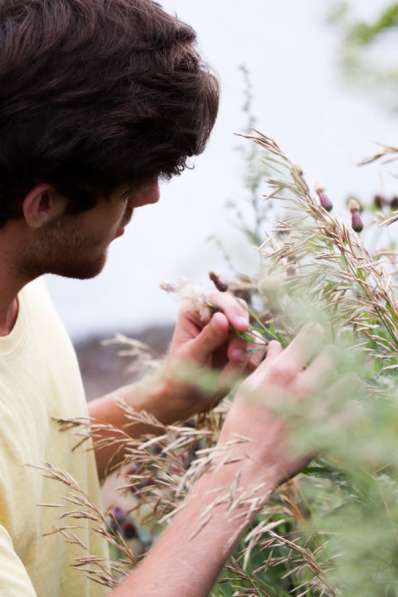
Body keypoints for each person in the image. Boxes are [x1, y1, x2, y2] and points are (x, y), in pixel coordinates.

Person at [0, 1, 330, 595]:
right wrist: (245, 465)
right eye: (131, 180)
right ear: (42, 204)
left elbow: (24, 475)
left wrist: (167, 397)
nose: (150, 196)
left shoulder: (16, 283)